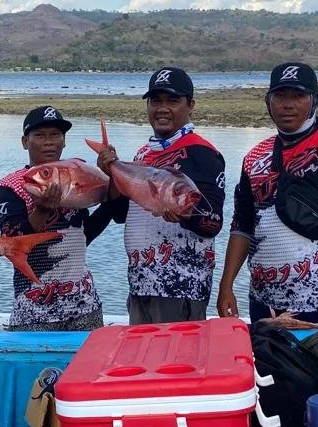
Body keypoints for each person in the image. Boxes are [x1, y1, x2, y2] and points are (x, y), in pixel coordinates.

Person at [216, 61, 318, 324]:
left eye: (298, 95)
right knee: (267, 365)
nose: (288, 104)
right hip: (263, 302)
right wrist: (226, 285)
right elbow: (242, 227)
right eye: (280, 96)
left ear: (315, 100)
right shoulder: (254, 157)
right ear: (268, 101)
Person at [95, 67, 226, 324]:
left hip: (180, 287)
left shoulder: (201, 152)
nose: (162, 108)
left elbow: (213, 222)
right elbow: (122, 215)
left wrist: (185, 215)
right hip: (141, 284)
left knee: (174, 363)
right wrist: (112, 172)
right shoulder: (144, 154)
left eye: (173, 100)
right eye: (156, 101)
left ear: (191, 105)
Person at [0, 105, 111, 331]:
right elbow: (13, 243)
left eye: (55, 135)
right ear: (24, 142)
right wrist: (43, 211)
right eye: (39, 135)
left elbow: (83, 233)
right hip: (34, 311)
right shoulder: (11, 186)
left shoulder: (76, 173)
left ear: (64, 141)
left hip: (85, 306)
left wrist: (113, 186)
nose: (48, 142)